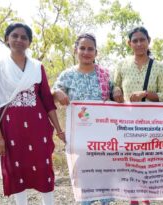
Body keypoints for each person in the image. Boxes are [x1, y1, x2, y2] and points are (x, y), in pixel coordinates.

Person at [0, 22, 65, 205]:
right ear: (7, 39)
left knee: (44, 167)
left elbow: (46, 99)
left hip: (38, 127)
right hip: (11, 128)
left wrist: (59, 129)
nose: (19, 40)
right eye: (15, 36)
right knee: (16, 168)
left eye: (24, 37)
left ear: (29, 42)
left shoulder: (37, 67)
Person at [52, 33, 113, 205]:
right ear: (75, 50)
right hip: (79, 138)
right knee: (83, 183)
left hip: (103, 138)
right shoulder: (67, 75)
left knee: (103, 180)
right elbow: (52, 94)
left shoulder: (105, 75)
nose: (86, 52)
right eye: (83, 48)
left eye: (90, 49)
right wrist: (56, 92)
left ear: (96, 52)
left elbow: (116, 98)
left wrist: (116, 92)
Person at [112, 26, 163, 205]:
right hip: (128, 124)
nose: (138, 44)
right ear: (129, 44)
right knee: (130, 163)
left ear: (148, 41)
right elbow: (115, 85)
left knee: (147, 164)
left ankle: (146, 200)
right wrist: (116, 90)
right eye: (134, 41)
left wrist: (145, 93)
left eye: (142, 40)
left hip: (151, 125)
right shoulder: (122, 65)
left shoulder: (159, 67)